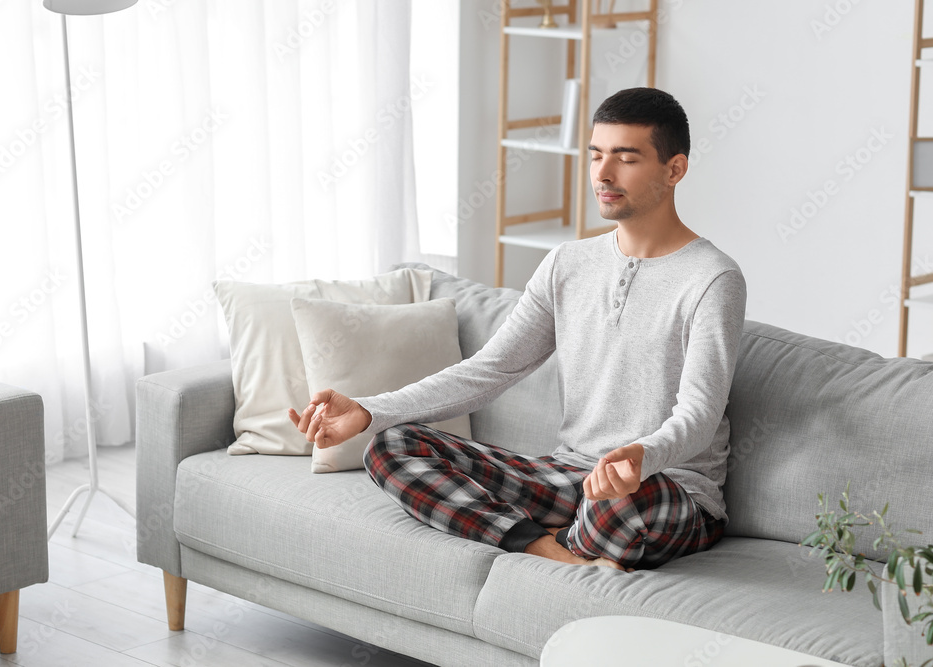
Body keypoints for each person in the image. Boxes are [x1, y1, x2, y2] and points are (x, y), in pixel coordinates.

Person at [289, 87, 747, 571]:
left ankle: (568, 533)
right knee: (391, 446)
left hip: (664, 488)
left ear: (674, 169)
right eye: (596, 156)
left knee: (615, 506)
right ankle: (552, 550)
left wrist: (640, 456)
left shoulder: (713, 278)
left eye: (626, 158)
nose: (603, 174)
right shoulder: (567, 264)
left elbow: (698, 414)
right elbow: (490, 369)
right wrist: (368, 411)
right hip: (569, 476)